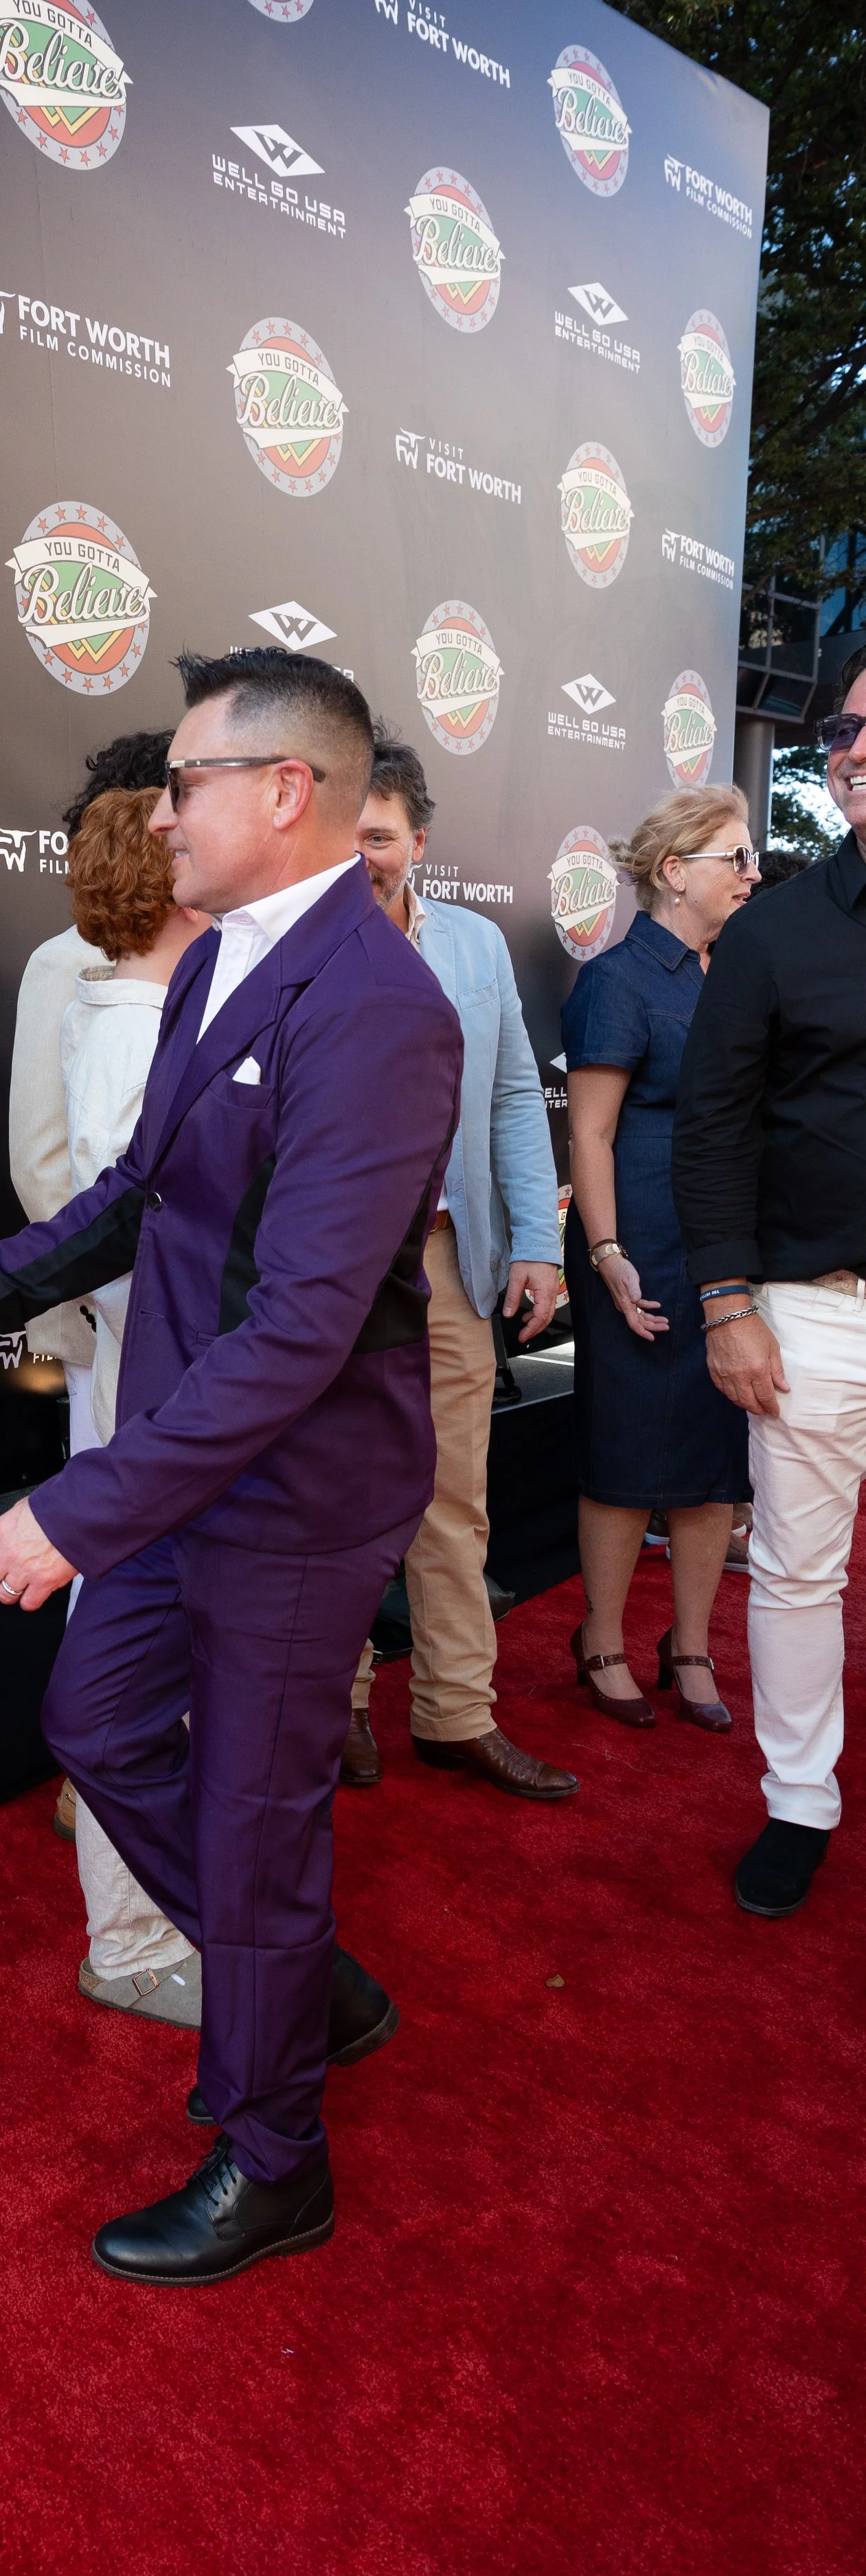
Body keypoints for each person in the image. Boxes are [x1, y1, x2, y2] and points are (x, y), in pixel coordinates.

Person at [0, 646, 464, 2284]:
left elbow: (300, 1331)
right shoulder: (221, 961)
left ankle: (275, 2158)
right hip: (184, 1458)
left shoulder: (380, 1009)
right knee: (93, 1725)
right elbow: (135, 1193)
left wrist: (78, 1509)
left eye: (185, 783)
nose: (159, 814)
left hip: (294, 1491)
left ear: (284, 793)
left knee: (252, 1822)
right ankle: (305, 1984)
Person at [673, 646, 866, 1919]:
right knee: (800, 1571)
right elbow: (712, 1129)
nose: (855, 750)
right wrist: (728, 1301)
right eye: (845, 729)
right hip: (811, 1308)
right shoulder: (774, 932)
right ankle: (800, 1799)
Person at [349, 740, 573, 1799]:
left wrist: (538, 1240)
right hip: (332, 1267)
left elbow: (516, 1096)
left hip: (448, 1257)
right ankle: (340, 1701)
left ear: (419, 841)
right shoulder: (286, 942)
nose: (362, 856)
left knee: (454, 1495)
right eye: (345, 835)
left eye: (380, 836)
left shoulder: (476, 945)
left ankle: (454, 1711)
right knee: (335, 1493)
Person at [59, 786, 211, 2022]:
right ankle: (132, 1942)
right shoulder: (137, 1027)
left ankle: (160, 1920)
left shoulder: (130, 1010)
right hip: (156, 1397)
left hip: (154, 1391)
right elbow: (136, 1237)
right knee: (134, 1674)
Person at [562, 787, 757, 1737]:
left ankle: (690, 1647)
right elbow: (590, 1135)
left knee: (717, 1457)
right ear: (675, 872)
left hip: (725, 1248)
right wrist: (607, 1254)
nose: (753, 873)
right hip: (636, 1242)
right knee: (625, 1447)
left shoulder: (737, 974)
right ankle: (601, 1640)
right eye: (736, 856)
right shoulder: (617, 979)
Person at [6, 730, 172, 1781]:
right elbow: (43, 1161)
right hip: (107, 1311)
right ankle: (99, 1769)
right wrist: (113, 1298)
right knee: (107, 1534)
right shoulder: (66, 961)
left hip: (197, 1335)